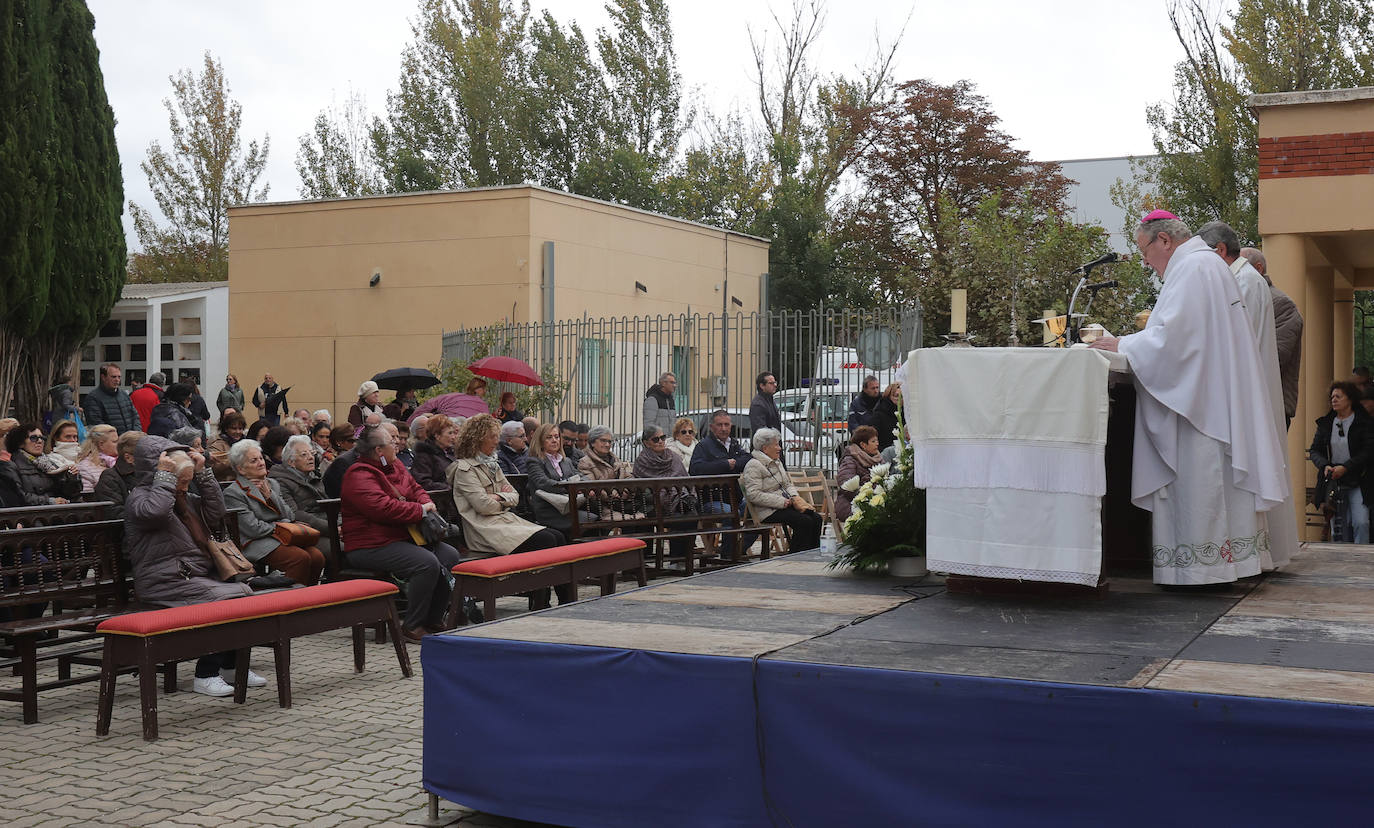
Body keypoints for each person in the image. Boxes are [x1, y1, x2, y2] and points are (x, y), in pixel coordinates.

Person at [1090, 211, 1287, 586]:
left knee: (1204, 480)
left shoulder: (1194, 269)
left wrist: (1123, 344)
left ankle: (1203, 569)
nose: (1146, 261)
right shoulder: (1204, 265)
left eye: (1145, 250)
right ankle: (1225, 563)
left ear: (1164, 240)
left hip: (1198, 409)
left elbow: (1175, 341)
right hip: (1209, 398)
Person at [123, 435, 259, 697]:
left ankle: (231, 666)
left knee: (243, 595)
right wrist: (164, 478)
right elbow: (156, 513)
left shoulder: (182, 498)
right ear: (161, 473)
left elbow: (217, 513)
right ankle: (205, 674)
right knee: (226, 601)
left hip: (192, 578)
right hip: (163, 582)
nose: (184, 487)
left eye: (186, 481)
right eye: (180, 480)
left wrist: (203, 475)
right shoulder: (140, 498)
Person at [1198, 221, 1295, 571]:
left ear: (1220, 251)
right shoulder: (1242, 280)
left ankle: (1252, 553)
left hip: (1245, 393)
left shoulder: (1244, 282)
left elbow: (1242, 344)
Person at [341, 424, 462, 641]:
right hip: (369, 544)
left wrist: (426, 502)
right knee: (426, 563)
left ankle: (433, 619)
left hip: (401, 537)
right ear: (379, 450)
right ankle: (412, 625)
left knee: (450, 555)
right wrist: (419, 510)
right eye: (392, 442)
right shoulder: (358, 475)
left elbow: (416, 488)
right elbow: (382, 509)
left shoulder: (395, 466)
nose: (397, 445)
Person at [445, 414, 565, 562]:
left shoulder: (492, 464)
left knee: (558, 537)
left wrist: (497, 497)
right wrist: (503, 497)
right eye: (492, 437)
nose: (497, 441)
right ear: (477, 439)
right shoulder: (465, 469)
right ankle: (539, 584)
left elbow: (515, 496)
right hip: (485, 529)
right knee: (546, 540)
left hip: (506, 522)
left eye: (497, 436)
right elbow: (483, 506)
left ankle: (553, 583)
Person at [223, 439, 325, 585]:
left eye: (260, 458)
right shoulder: (233, 493)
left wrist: (270, 495)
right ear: (241, 469)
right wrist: (280, 526)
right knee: (299, 558)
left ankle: (309, 596)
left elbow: (290, 515)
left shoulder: (273, 484)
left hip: (281, 536)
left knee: (316, 557)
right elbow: (253, 528)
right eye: (254, 461)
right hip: (256, 542)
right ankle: (292, 600)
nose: (261, 463)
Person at [1240, 247, 1303, 429]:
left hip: (1269, 404)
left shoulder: (1280, 303)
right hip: (1249, 402)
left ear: (1258, 268)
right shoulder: (1242, 298)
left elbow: (1275, 356)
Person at [1309, 382, 1374, 543]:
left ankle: (1361, 560)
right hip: (1333, 481)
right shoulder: (1325, 424)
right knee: (1338, 527)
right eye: (1332, 397)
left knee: (1361, 522)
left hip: (1358, 479)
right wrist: (1325, 465)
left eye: (1338, 396)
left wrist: (1346, 467)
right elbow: (1314, 450)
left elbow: (1368, 451)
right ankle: (1340, 560)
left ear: (1350, 399)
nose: (1334, 400)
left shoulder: (1363, 423)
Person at [741, 428, 822, 553]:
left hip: (784, 505)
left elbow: (787, 484)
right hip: (767, 510)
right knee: (804, 521)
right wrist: (781, 501)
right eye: (776, 445)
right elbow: (754, 495)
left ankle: (813, 553)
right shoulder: (753, 465)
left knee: (816, 518)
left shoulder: (776, 462)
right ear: (765, 448)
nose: (779, 448)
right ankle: (796, 556)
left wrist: (795, 497)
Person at [689, 409, 757, 557]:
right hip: (711, 500)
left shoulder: (733, 444)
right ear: (712, 427)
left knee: (757, 509)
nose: (724, 428)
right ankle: (728, 555)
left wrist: (734, 464)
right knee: (730, 512)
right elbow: (696, 469)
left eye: (726, 424)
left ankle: (739, 548)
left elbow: (748, 459)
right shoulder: (704, 446)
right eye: (720, 425)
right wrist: (725, 464)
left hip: (735, 497)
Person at [632, 424, 699, 563]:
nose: (661, 441)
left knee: (690, 515)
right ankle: (673, 558)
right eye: (655, 439)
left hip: (678, 500)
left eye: (662, 437)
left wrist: (685, 495)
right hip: (653, 505)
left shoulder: (673, 457)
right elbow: (643, 488)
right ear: (646, 443)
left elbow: (685, 479)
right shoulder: (642, 461)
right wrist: (670, 494)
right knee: (675, 516)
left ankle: (681, 558)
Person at [269, 435, 332, 552]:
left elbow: (329, 505)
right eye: (304, 454)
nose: (310, 457)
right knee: (345, 550)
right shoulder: (280, 481)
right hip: (308, 531)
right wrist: (331, 527)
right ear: (291, 462)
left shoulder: (313, 476)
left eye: (311, 453)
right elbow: (295, 514)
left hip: (328, 525)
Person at [526, 422, 585, 536]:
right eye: (549, 437)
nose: (554, 440)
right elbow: (543, 483)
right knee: (590, 519)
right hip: (549, 510)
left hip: (569, 506)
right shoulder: (534, 461)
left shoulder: (565, 461)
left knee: (599, 515)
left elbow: (580, 476)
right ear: (540, 441)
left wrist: (584, 485)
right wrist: (569, 487)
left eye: (557, 437)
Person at [3, 423, 79, 505]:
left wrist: (72, 478)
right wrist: (50, 501)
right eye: (33, 438)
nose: (39, 441)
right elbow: (18, 497)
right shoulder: (11, 466)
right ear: (21, 443)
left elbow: (69, 494)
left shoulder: (49, 463)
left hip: (55, 512)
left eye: (41, 438)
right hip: (31, 514)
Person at [836, 425, 881, 522]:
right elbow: (846, 484)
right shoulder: (850, 460)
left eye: (877, 441)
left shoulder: (879, 459)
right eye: (873, 441)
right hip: (851, 503)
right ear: (863, 445)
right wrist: (866, 493)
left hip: (875, 500)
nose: (877, 444)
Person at [94, 431, 144, 519]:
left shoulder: (151, 473)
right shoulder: (110, 478)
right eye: (146, 454)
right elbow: (115, 513)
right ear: (128, 458)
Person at [82, 363, 140, 434]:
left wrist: (135, 435)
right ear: (103, 377)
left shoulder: (124, 395)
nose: (117, 380)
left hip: (129, 441)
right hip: (109, 442)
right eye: (113, 377)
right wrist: (114, 439)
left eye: (119, 377)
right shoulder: (93, 398)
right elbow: (96, 425)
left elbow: (135, 416)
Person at [411, 414, 458, 490]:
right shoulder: (424, 456)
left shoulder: (451, 453)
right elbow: (423, 483)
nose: (453, 437)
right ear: (437, 436)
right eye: (449, 433)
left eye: (453, 433)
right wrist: (448, 488)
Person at [74, 424, 119, 494]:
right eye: (115, 442)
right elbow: (87, 497)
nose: (119, 444)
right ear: (101, 444)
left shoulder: (122, 462)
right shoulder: (85, 467)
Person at [208, 411, 247, 481]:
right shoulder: (217, 445)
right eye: (234, 428)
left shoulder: (247, 443)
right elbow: (213, 469)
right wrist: (233, 460)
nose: (238, 432)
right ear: (226, 429)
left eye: (240, 428)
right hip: (226, 483)